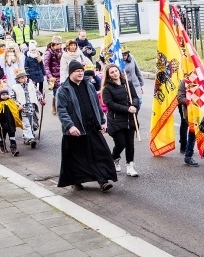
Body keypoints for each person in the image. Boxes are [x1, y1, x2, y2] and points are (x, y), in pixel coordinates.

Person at [56, 60, 117, 192]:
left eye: (82, 71)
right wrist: (70, 126)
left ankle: (103, 181)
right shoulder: (63, 89)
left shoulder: (89, 85)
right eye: (77, 71)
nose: (80, 73)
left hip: (92, 126)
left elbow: (97, 105)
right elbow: (61, 110)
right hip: (76, 130)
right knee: (77, 159)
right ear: (71, 73)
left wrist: (102, 121)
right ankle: (75, 180)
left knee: (101, 154)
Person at [101, 64, 140, 178]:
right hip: (116, 120)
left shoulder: (127, 84)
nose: (115, 73)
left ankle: (130, 166)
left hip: (130, 119)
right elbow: (110, 104)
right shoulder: (107, 88)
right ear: (108, 76)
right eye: (111, 72)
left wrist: (134, 105)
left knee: (130, 144)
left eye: (116, 71)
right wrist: (126, 109)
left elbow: (135, 97)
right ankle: (115, 157)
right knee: (120, 144)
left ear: (119, 71)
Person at [10, 69, 43, 148]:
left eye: (25, 77)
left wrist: (41, 98)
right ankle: (30, 138)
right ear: (18, 79)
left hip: (31, 107)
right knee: (26, 124)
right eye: (22, 78)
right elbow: (12, 98)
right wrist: (18, 105)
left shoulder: (31, 85)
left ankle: (27, 137)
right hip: (23, 108)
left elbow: (37, 92)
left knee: (31, 123)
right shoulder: (15, 87)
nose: (24, 79)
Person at [0, 87, 23, 156]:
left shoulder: (11, 101)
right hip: (1, 123)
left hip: (10, 122)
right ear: (0, 96)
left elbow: (15, 110)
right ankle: (2, 146)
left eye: (6, 94)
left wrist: (19, 109)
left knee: (12, 135)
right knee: (2, 136)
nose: (5, 96)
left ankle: (14, 149)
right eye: (3, 95)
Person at [43, 36, 63, 115]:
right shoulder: (49, 52)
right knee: (56, 92)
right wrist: (50, 76)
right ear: (53, 44)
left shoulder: (62, 51)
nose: (60, 46)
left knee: (63, 91)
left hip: (61, 74)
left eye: (60, 44)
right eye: (58, 44)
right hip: (53, 77)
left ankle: (62, 107)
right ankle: (54, 106)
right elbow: (46, 66)